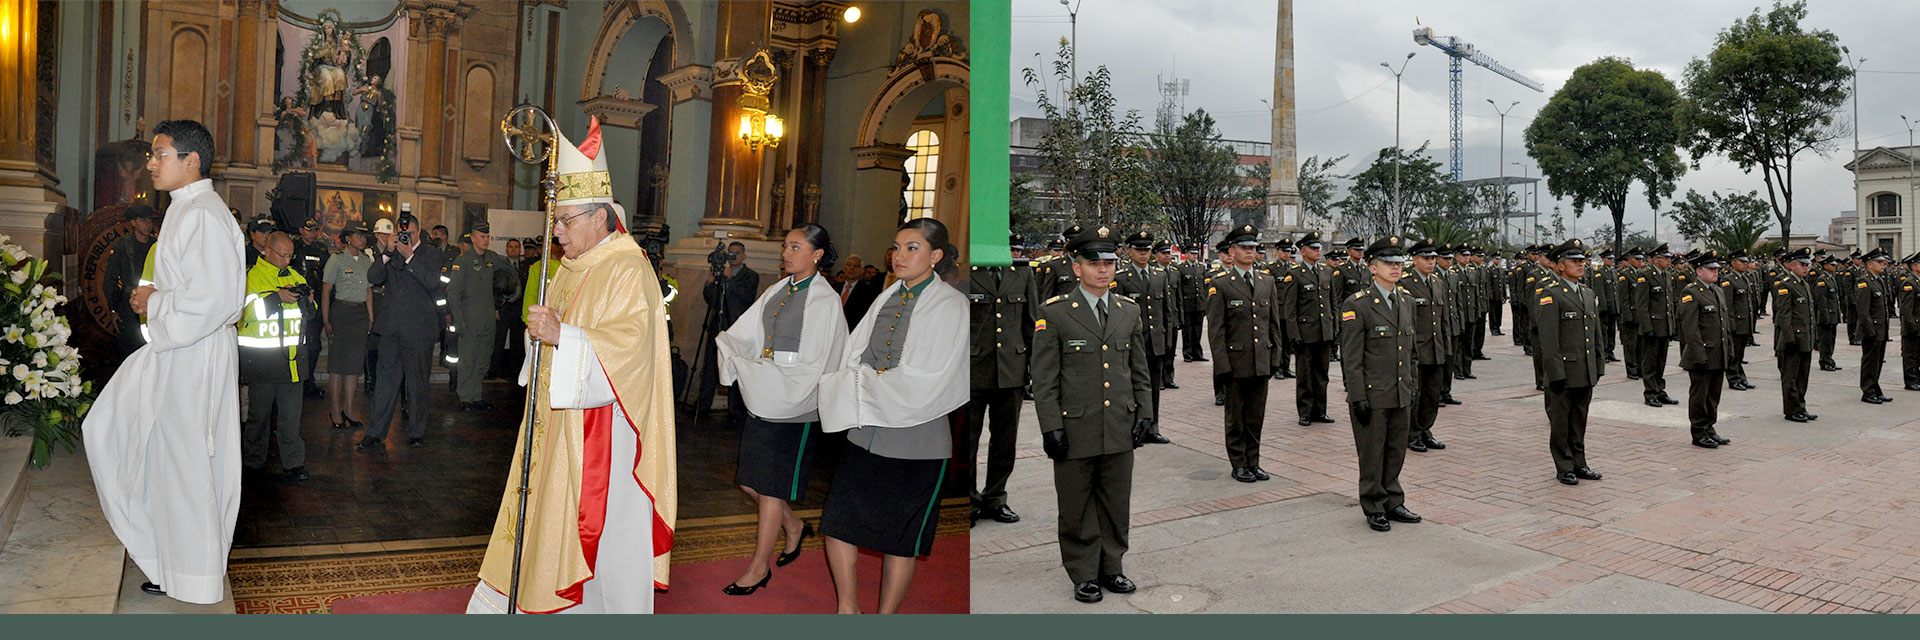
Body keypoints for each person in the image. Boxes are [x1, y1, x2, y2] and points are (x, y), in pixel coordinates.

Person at [469, 117, 676, 614]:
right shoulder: (571, 266)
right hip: (556, 425)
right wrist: (545, 336)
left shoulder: (628, 267)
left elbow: (630, 350)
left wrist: (565, 336)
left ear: (601, 217)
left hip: (604, 436)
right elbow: (550, 337)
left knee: (602, 541)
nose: (557, 232)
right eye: (555, 222)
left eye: (565, 221)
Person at [83, 119, 245, 604]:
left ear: (191, 160)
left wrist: (152, 304)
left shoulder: (203, 215)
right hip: (177, 351)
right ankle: (169, 560)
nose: (150, 164)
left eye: (159, 154)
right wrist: (154, 297)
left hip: (195, 357)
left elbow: (218, 299)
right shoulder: (184, 210)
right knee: (135, 441)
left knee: (186, 464)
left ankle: (191, 574)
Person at [816, 217, 967, 614]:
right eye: (896, 247)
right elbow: (855, 352)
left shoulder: (951, 305)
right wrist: (854, 381)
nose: (899, 256)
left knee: (900, 536)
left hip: (916, 440)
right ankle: (848, 610)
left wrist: (865, 382)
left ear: (935, 256)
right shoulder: (888, 295)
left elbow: (931, 377)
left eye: (912, 248)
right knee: (838, 522)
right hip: (864, 429)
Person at [715, 223, 848, 595]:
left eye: (795, 247)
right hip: (769, 392)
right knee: (749, 481)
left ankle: (759, 568)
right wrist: (737, 352)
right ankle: (793, 526)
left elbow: (821, 360)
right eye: (786, 246)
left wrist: (770, 375)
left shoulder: (824, 300)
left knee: (771, 488)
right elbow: (748, 331)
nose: (786, 253)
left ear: (817, 254)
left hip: (794, 404)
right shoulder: (779, 289)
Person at [1032, 225, 1151, 603]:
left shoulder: (1127, 311)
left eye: (1110, 262)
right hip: (1076, 425)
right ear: (1076, 266)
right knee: (1076, 503)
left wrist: (1145, 415)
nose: (1103, 269)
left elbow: (1139, 371)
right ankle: (1083, 571)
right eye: (1094, 262)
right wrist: (1051, 427)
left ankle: (1112, 567)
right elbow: (1045, 378)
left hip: (1118, 422)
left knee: (1116, 501)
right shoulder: (1055, 313)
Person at [1339, 236, 1420, 532]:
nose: (1395, 268)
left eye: (1398, 263)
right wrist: (1357, 395)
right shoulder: (1357, 305)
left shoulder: (1407, 301)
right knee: (1372, 453)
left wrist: (1412, 385)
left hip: (1399, 390)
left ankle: (1393, 500)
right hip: (1372, 394)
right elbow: (1351, 357)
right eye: (1388, 263)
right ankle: (1373, 504)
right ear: (1372, 267)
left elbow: (1411, 351)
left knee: (1396, 450)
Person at [356, 209, 451, 451]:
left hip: (418, 332)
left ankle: (416, 432)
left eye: (408, 233)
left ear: (418, 232)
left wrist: (410, 257)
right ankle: (376, 434)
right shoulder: (392, 252)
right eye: (401, 233)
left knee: (417, 383)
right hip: (390, 330)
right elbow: (374, 276)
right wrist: (388, 253)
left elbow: (432, 283)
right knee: (385, 383)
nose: (404, 236)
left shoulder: (431, 254)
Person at [967, 233, 1037, 526]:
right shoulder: (967, 272)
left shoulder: (1021, 272)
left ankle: (996, 498)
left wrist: (1035, 366)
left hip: (1011, 370)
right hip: (972, 370)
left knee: (1005, 441)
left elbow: (1032, 322)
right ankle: (969, 500)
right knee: (967, 442)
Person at [1209, 224, 1283, 483]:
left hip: (1261, 359)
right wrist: (1222, 366)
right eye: (1244, 247)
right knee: (1236, 417)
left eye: (1253, 247)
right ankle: (1238, 463)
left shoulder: (1267, 281)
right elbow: (1216, 331)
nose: (1250, 252)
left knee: (1256, 415)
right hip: (1235, 361)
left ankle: (1254, 461)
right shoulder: (1221, 285)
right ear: (1232, 250)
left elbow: (1274, 323)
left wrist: (1276, 358)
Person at [239, 232, 314, 481]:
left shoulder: (295, 276)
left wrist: (308, 301)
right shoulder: (251, 277)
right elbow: (244, 313)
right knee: (258, 417)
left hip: (293, 361)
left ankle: (294, 463)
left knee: (291, 419)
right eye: (282, 255)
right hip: (263, 361)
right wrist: (276, 298)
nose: (286, 260)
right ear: (267, 251)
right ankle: (252, 463)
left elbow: (309, 315)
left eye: (290, 255)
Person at [1532, 239, 1605, 486]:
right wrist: (1555, 373)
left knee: (1579, 419)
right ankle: (1564, 466)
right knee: (1561, 421)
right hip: (1563, 369)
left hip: (1584, 368)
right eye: (1574, 261)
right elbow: (1548, 340)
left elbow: (1595, 332)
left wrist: (1598, 364)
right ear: (1560, 266)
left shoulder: (1587, 292)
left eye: (1582, 260)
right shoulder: (1548, 292)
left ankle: (1580, 463)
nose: (1581, 264)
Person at [449, 225, 521, 411]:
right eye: (482, 236)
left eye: (488, 236)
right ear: (472, 238)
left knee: (483, 360)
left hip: (488, 319)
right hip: (469, 319)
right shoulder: (463, 261)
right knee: (468, 360)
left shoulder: (492, 258)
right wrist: (458, 321)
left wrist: (509, 295)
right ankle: (465, 397)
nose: (486, 240)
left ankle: (477, 395)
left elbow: (510, 274)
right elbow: (453, 293)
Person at [1114, 230, 1175, 444]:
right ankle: (1134, 428)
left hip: (1156, 341)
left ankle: (1152, 427)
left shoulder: (1160, 275)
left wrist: (1167, 341)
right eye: (1139, 250)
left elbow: (1167, 311)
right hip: (1133, 343)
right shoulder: (1121, 277)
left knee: (1154, 387)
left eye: (1147, 250)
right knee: (1133, 387)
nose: (1143, 254)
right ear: (1130, 251)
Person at [695, 240, 761, 420]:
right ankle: (702, 408)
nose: (732, 257)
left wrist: (730, 280)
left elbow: (747, 297)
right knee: (710, 367)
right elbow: (712, 301)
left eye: (737, 253)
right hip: (718, 325)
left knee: (735, 368)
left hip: (737, 328)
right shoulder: (720, 274)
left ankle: (734, 412)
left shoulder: (750, 275)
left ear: (744, 255)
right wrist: (709, 284)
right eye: (729, 253)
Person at [1280, 231, 1338, 426]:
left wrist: (1334, 328)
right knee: (1305, 375)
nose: (1317, 251)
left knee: (1321, 374)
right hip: (1305, 333)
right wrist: (1294, 334)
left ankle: (1320, 411)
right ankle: (1305, 411)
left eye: (1318, 248)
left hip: (1324, 331)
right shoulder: (1294, 274)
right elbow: (1290, 309)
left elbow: (1332, 304)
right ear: (1303, 252)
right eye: (1313, 248)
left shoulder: (1326, 272)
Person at [1677, 251, 1734, 449]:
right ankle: (1699, 432)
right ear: (1699, 271)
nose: (1715, 271)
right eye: (1711, 269)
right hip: (1701, 355)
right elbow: (1690, 329)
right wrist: (1698, 355)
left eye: (1717, 268)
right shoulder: (1691, 292)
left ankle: (1710, 428)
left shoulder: (1717, 291)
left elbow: (1723, 324)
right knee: (1700, 396)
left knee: (1713, 395)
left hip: (1718, 353)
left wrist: (1729, 350)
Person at [1402, 239, 1450, 453]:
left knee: (1432, 394)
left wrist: (1447, 346)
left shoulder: (1438, 282)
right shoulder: (1405, 283)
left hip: (1436, 348)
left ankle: (1425, 430)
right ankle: (1411, 433)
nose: (1431, 262)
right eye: (1426, 258)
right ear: (1414, 259)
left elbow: (1443, 319)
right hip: (1416, 350)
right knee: (1416, 393)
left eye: (1433, 258)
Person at [324, 223, 374, 429]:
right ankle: (335, 411)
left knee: (354, 366)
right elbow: (326, 291)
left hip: (360, 314)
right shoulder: (336, 260)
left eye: (364, 236)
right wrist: (326, 321)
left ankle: (349, 410)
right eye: (359, 236)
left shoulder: (366, 261)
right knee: (337, 366)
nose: (363, 239)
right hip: (342, 313)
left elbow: (369, 290)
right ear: (348, 239)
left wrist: (371, 316)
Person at [104, 203, 159, 358]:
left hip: (151, 305)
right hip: (128, 308)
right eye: (143, 220)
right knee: (129, 354)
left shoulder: (157, 246)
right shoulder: (122, 245)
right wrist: (113, 309)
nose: (148, 224)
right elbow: (110, 280)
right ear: (133, 222)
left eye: (150, 220)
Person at [1772, 249, 1818, 422]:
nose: (1806, 268)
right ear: (1792, 265)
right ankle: (1791, 410)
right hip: (1792, 340)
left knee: (1802, 376)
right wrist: (1790, 338)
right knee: (1790, 377)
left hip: (1805, 338)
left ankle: (1800, 406)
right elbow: (1783, 315)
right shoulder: (1786, 284)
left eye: (1807, 265)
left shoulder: (1803, 284)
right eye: (1802, 265)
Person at [1632, 245, 1680, 407]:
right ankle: (1650, 393)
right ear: (1656, 259)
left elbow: (1668, 304)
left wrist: (1671, 326)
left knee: (1661, 361)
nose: (1668, 261)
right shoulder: (1645, 276)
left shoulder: (1667, 275)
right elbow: (1642, 305)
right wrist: (1647, 328)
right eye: (1665, 258)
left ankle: (1660, 390)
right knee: (1650, 362)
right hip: (1652, 326)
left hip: (1664, 326)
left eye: (1669, 258)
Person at [1856, 247, 1896, 404]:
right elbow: (1863, 310)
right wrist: (1870, 331)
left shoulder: (1878, 280)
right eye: (1879, 262)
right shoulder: (1864, 282)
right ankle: (1867, 391)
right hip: (1872, 330)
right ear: (1869, 264)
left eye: (1883, 262)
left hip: (1881, 329)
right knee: (1870, 361)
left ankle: (1875, 388)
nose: (1883, 264)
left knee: (1878, 361)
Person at [1722, 251, 1759, 391]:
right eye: (1741, 261)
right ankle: (1733, 379)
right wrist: (1731, 325)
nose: (1745, 264)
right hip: (1736, 323)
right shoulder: (1728, 280)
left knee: (1740, 353)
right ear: (1733, 263)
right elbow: (1728, 306)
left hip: (1744, 323)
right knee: (1733, 354)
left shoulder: (1744, 278)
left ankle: (1740, 377)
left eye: (1746, 262)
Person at [1815, 256, 1843, 371]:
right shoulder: (1822, 280)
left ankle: (1829, 360)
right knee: (1825, 340)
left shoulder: (1831, 278)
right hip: (1826, 316)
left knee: (1831, 339)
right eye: (1832, 265)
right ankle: (1824, 361)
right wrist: (1825, 316)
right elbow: (1822, 301)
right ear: (1825, 266)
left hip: (1833, 315)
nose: (1835, 266)